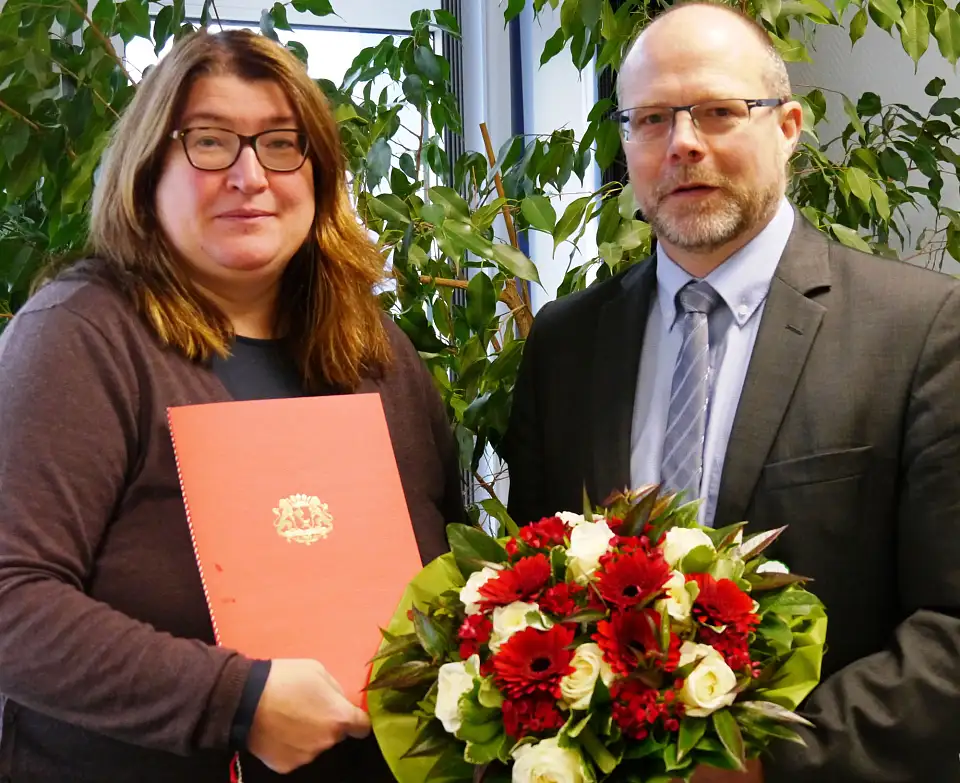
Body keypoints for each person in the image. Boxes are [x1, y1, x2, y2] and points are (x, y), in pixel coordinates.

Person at [503, 3, 960, 782]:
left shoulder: (922, 330)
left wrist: (762, 763)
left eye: (718, 111)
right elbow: (530, 591)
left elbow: (949, 626)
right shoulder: (566, 345)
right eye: (651, 119)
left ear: (787, 126)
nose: (682, 142)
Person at [0, 29, 464, 783]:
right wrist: (237, 700)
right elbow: (11, 603)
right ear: (148, 168)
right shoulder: (78, 340)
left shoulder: (376, 349)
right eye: (209, 143)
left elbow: (444, 557)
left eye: (282, 144)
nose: (250, 175)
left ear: (319, 173)